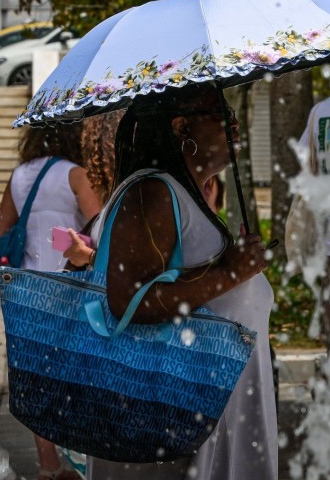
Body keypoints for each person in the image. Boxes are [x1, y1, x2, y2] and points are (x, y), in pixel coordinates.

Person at [84, 82, 277, 480]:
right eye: (220, 112)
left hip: (198, 414)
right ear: (182, 128)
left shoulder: (176, 193)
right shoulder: (152, 192)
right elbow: (127, 301)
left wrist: (233, 269)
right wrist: (230, 273)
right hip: (170, 419)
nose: (234, 122)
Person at [0, 122, 101, 480]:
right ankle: (79, 461)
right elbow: (100, 227)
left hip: (27, 287)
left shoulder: (20, 175)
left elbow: (1, 230)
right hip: (69, 287)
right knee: (76, 373)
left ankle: (48, 466)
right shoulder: (75, 174)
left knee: (37, 375)